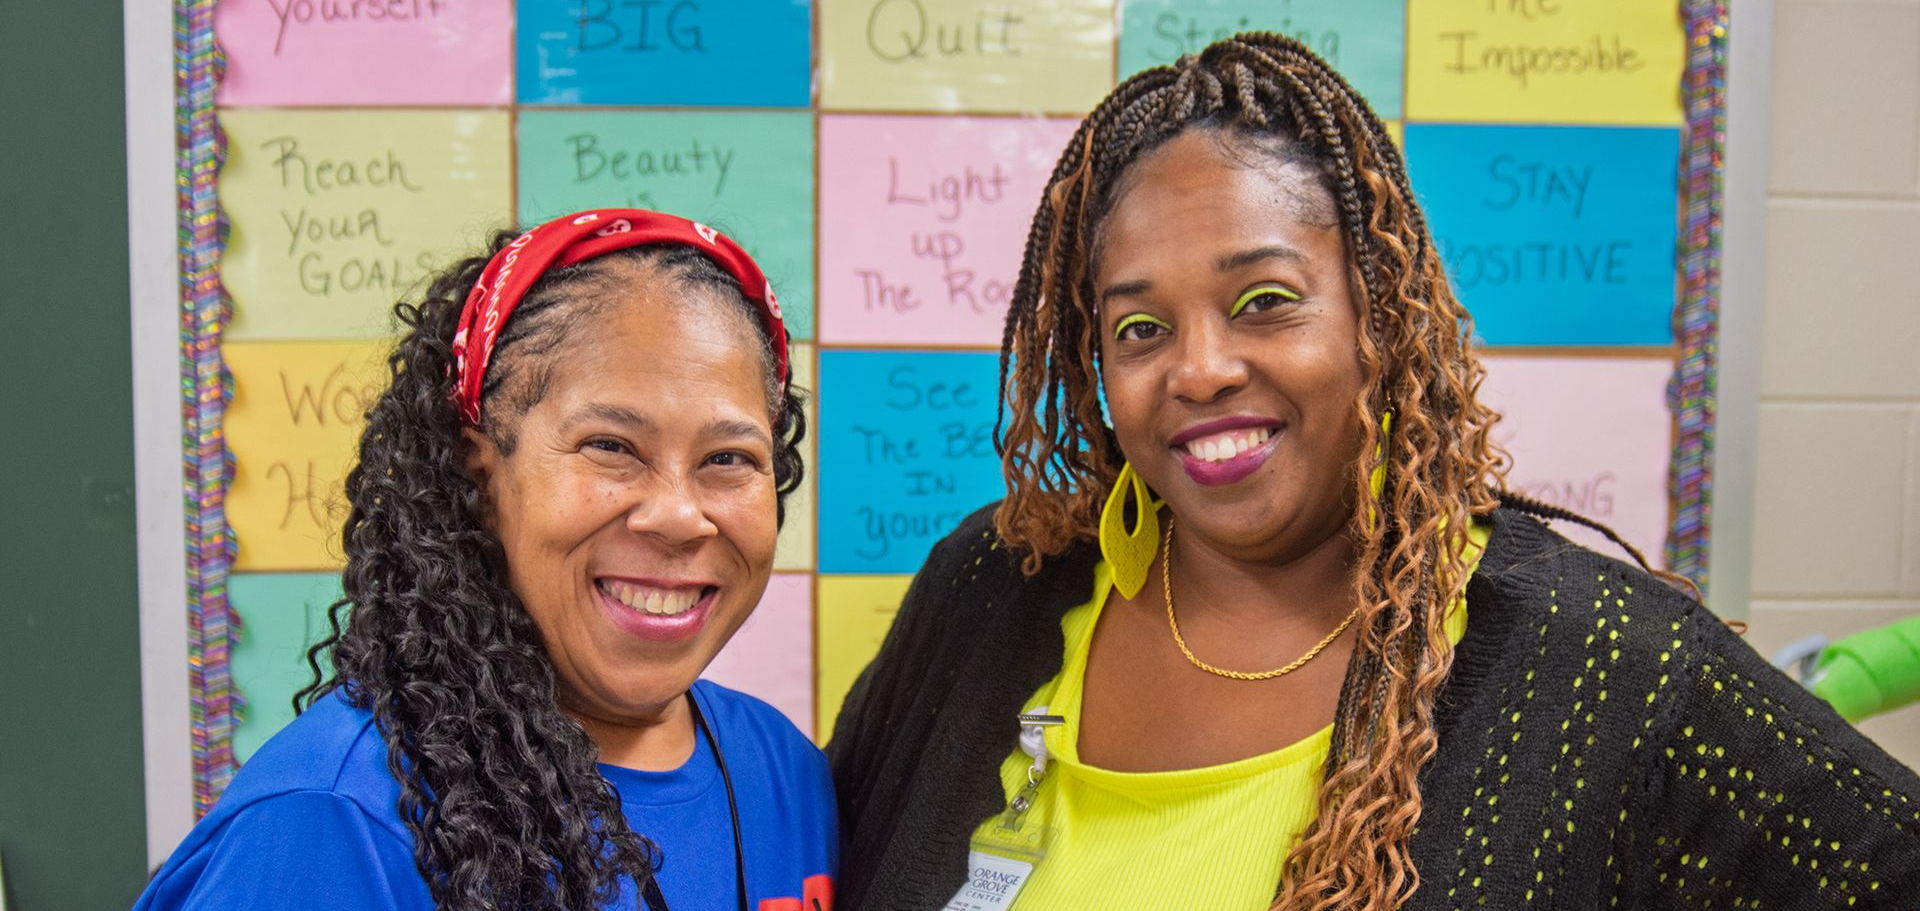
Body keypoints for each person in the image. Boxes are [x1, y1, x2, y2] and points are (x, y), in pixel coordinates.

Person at [826, 34, 1920, 911]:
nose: (1200, 367)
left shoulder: (1599, 670)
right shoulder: (992, 586)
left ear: (1379, 321)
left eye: (1265, 301)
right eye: (1142, 327)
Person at [137, 209, 836, 911]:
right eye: (611, 446)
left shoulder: (784, 774)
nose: (680, 515)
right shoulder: (334, 820)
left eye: (728, 459)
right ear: (479, 476)